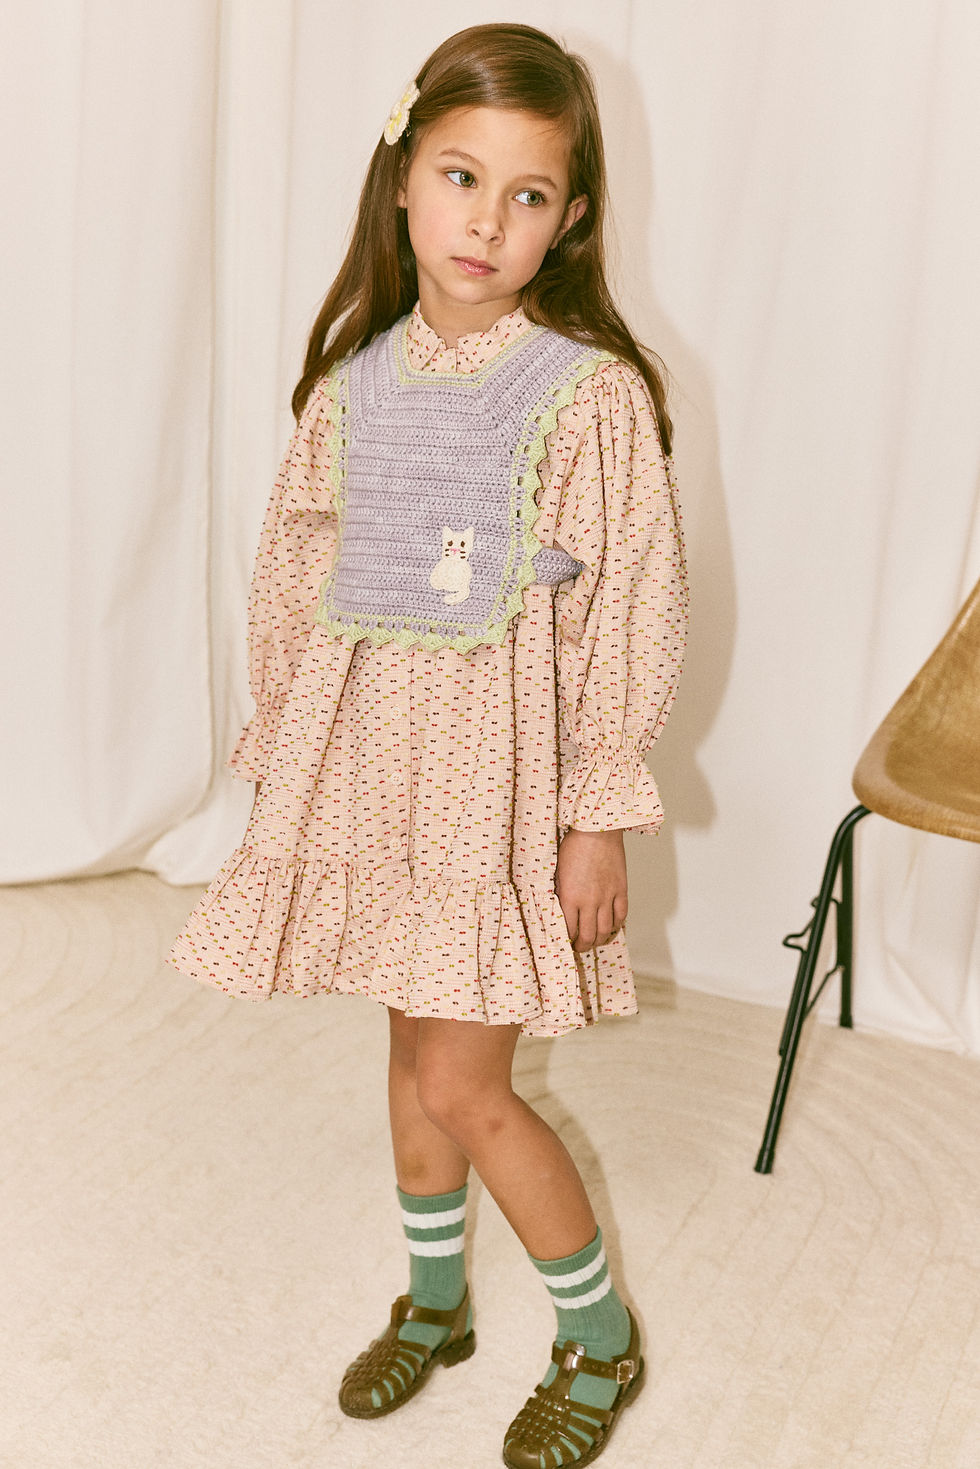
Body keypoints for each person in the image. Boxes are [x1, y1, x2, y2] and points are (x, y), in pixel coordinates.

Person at [170, 22, 686, 1467]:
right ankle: (439, 1301)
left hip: (500, 799)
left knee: (467, 1080)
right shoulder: (355, 385)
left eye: (528, 195)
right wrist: (289, 759)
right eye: (461, 178)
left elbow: (632, 608)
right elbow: (295, 575)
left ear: (568, 218)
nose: (487, 221)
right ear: (401, 178)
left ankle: (600, 1334)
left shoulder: (586, 395)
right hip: (376, 786)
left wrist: (598, 810)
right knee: (408, 1059)